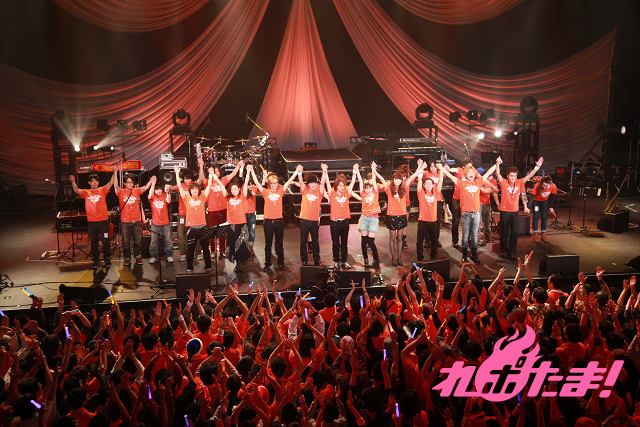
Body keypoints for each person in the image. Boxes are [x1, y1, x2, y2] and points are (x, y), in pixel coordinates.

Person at [441, 162, 497, 262]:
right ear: (465, 175)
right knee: (466, 235)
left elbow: (488, 173)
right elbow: (450, 176)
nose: (471, 174)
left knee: (475, 234)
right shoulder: (462, 183)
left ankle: (474, 255)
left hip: (476, 213)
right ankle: (464, 255)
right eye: (469, 172)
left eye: (473, 172)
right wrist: (442, 169)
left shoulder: (478, 182)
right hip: (466, 213)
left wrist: (496, 164)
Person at [249, 165, 300, 271]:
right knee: (268, 244)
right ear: (269, 184)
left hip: (279, 221)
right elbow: (257, 183)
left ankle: (281, 263)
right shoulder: (265, 192)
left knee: (279, 244)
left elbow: (288, 182)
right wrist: (252, 171)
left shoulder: (280, 191)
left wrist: (296, 171)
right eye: (272, 183)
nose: (274, 185)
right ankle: (267, 265)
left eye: (276, 183)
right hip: (268, 222)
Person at [495, 156, 544, 260]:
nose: (513, 178)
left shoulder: (519, 182)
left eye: (515, 176)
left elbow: (529, 176)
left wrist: (537, 167)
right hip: (504, 211)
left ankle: (512, 251)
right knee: (504, 232)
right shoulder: (503, 182)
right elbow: (498, 175)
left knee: (514, 232)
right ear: (507, 176)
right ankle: (503, 250)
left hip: (514, 211)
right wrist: (497, 164)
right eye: (511, 176)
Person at [374, 167, 421, 266]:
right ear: (393, 179)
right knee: (392, 237)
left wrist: (419, 168)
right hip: (391, 215)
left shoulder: (404, 187)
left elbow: (412, 177)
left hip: (402, 215)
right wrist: (374, 170)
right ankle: (393, 257)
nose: (397, 181)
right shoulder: (388, 188)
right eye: (396, 179)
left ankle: (399, 257)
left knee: (400, 237)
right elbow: (382, 179)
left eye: (399, 179)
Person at [69, 169, 116, 268]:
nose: (95, 183)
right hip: (92, 222)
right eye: (92, 181)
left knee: (105, 241)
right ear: (89, 183)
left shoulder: (102, 190)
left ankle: (107, 259)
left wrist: (115, 172)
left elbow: (111, 183)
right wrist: (73, 181)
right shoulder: (86, 192)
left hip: (103, 221)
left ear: (98, 182)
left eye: (96, 181)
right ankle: (96, 260)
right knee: (94, 242)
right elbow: (76, 190)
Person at [173, 164, 214, 273]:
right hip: (191, 228)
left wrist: (210, 175)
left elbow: (209, 186)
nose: (195, 191)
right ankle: (189, 266)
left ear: (199, 190)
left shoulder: (203, 196)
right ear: (190, 191)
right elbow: (179, 187)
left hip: (203, 228)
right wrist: (177, 173)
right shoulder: (187, 198)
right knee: (190, 250)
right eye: (193, 190)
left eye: (196, 189)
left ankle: (208, 266)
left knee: (206, 249)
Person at [201, 160, 243, 259]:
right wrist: (202, 166)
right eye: (214, 171)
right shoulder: (208, 181)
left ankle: (222, 250)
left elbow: (233, 174)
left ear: (219, 173)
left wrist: (238, 165)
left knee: (222, 232)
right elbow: (201, 178)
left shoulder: (223, 180)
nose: (216, 173)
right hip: (212, 210)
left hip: (223, 209)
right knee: (212, 232)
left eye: (217, 171)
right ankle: (213, 250)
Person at [216, 166, 252, 273]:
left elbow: (246, 182)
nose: (234, 191)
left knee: (241, 245)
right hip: (231, 225)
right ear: (230, 191)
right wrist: (216, 178)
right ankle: (237, 263)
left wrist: (248, 172)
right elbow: (221, 186)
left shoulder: (242, 196)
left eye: (236, 189)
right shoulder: (228, 197)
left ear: (238, 189)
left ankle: (241, 262)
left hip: (241, 224)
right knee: (233, 245)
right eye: (232, 189)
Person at [113, 172, 154, 266]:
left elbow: (145, 187)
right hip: (125, 221)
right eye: (128, 182)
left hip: (136, 220)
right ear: (124, 183)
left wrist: (151, 181)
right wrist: (115, 173)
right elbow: (115, 186)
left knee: (138, 241)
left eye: (131, 182)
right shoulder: (121, 192)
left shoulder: (136, 191)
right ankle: (127, 258)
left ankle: (138, 256)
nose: (130, 184)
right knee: (126, 242)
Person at [324, 165, 360, 269]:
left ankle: (344, 261)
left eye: (343, 185)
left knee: (344, 244)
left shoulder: (346, 193)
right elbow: (327, 183)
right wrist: (325, 171)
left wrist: (354, 171)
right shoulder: (332, 193)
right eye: (340, 185)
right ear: (336, 186)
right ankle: (336, 261)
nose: (342, 187)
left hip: (344, 222)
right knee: (335, 243)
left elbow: (352, 183)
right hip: (335, 223)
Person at [167, 164, 201, 262]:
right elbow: (174, 187)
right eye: (185, 179)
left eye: (189, 179)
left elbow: (200, 180)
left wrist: (201, 166)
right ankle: (183, 253)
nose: (187, 181)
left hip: (194, 214)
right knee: (181, 234)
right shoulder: (181, 186)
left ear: (191, 179)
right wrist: (168, 186)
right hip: (182, 214)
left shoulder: (195, 186)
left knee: (196, 234)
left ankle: (198, 252)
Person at [298, 164, 328, 266]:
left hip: (314, 221)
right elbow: (301, 182)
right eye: (311, 183)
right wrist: (299, 172)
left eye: (315, 183)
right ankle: (304, 260)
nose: (314, 185)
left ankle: (316, 259)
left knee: (315, 242)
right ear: (308, 184)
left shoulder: (319, 192)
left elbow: (322, 183)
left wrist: (324, 171)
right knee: (303, 242)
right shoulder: (304, 190)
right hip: (304, 220)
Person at [445, 158, 476, 248]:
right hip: (457, 199)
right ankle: (455, 240)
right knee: (456, 220)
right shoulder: (459, 170)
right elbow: (452, 170)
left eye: (471, 166)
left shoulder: (472, 173)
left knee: (468, 221)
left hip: (467, 200)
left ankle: (468, 240)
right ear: (464, 166)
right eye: (469, 166)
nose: (470, 168)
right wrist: (448, 168)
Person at [355, 162, 381, 269]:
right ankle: (365, 260)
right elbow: (360, 181)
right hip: (365, 218)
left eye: (370, 187)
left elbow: (374, 181)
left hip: (373, 218)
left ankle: (376, 260)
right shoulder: (363, 193)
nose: (368, 189)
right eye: (366, 188)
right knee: (364, 240)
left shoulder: (375, 192)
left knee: (371, 241)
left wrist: (373, 169)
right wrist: (357, 171)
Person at [416, 162, 443, 261]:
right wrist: (420, 167)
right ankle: (420, 257)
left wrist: (441, 169)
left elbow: (440, 181)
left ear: (432, 186)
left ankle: (433, 256)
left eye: (430, 184)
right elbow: (419, 179)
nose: (428, 185)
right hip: (422, 221)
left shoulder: (436, 193)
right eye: (426, 184)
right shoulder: (421, 193)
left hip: (432, 221)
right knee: (419, 241)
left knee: (434, 240)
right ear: (424, 185)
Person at [147, 177, 174, 264]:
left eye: (159, 189)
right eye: (156, 190)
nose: (158, 191)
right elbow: (150, 195)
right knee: (153, 241)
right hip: (155, 223)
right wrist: (153, 184)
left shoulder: (164, 195)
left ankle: (169, 255)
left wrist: (167, 191)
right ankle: (153, 256)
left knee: (168, 240)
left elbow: (168, 200)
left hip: (165, 222)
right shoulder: (152, 197)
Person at [422, 160, 444, 246]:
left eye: (434, 166)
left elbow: (442, 179)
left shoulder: (440, 173)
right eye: (431, 166)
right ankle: (427, 240)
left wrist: (443, 168)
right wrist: (421, 166)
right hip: (427, 200)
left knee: (437, 221)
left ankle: (435, 239)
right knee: (427, 220)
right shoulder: (426, 173)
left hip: (437, 200)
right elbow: (419, 173)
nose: (433, 168)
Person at [531, 175, 557, 242]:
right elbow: (532, 196)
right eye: (543, 185)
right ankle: (535, 234)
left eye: (546, 186)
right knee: (536, 216)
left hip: (544, 202)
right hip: (536, 202)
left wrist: (551, 206)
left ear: (550, 184)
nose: (544, 187)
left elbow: (552, 198)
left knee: (544, 216)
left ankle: (543, 234)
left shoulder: (553, 186)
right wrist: (527, 207)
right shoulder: (537, 185)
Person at [478, 176, 499, 246]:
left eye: (491, 177)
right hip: (478, 202)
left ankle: (487, 237)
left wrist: (498, 204)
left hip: (487, 202)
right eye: (489, 177)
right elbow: (483, 190)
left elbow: (495, 193)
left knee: (487, 220)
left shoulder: (494, 181)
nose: (490, 179)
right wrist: (493, 189)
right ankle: (477, 238)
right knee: (478, 221)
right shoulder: (481, 179)